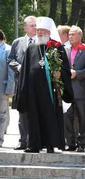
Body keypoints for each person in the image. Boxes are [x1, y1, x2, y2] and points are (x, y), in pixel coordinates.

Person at [16, 17, 73, 153]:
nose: (40, 33)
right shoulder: (31, 48)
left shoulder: (56, 47)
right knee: (33, 117)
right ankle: (34, 144)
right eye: (38, 30)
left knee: (49, 116)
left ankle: (50, 144)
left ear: (49, 32)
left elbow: (65, 68)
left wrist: (60, 73)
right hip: (33, 90)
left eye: (43, 30)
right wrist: (23, 90)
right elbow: (24, 70)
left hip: (50, 90)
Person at [8, 15, 37, 150]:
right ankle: (23, 140)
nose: (35, 28)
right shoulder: (17, 42)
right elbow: (10, 59)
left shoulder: (42, 41)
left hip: (37, 83)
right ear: (25, 28)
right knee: (22, 113)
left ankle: (36, 140)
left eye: (36, 25)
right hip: (21, 83)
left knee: (36, 112)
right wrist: (18, 67)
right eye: (32, 25)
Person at [63, 26, 85, 151]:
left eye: (73, 34)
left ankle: (82, 144)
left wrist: (77, 73)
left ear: (80, 36)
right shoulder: (65, 50)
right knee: (67, 117)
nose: (70, 37)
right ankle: (70, 143)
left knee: (82, 118)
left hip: (81, 90)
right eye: (69, 34)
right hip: (67, 90)